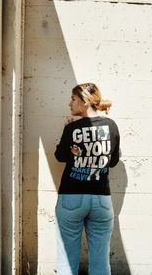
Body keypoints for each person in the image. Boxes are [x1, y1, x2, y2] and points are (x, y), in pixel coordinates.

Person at [54, 83, 120, 275]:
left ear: (85, 101)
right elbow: (113, 161)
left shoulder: (72, 128)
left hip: (71, 197)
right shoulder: (111, 126)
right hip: (101, 199)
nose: (70, 103)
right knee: (101, 262)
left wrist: (67, 132)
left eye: (73, 99)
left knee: (67, 259)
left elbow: (60, 156)